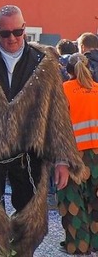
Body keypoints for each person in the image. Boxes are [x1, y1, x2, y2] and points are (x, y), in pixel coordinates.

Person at [0, 5, 86, 256]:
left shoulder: (44, 63)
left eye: (18, 31)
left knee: (33, 225)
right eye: (5, 33)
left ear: (25, 28)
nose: (12, 38)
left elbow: (58, 113)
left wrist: (63, 159)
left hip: (28, 154)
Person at [57, 53, 98, 254]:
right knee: (95, 198)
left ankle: (78, 245)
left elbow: (59, 126)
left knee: (72, 199)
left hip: (74, 153)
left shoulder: (63, 90)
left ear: (68, 71)